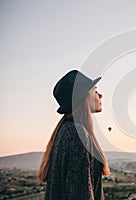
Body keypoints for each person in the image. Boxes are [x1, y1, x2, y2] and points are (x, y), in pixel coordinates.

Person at [38, 70, 110, 200]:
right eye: (95, 91)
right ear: (84, 97)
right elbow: (80, 193)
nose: (100, 95)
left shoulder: (66, 130)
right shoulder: (77, 135)